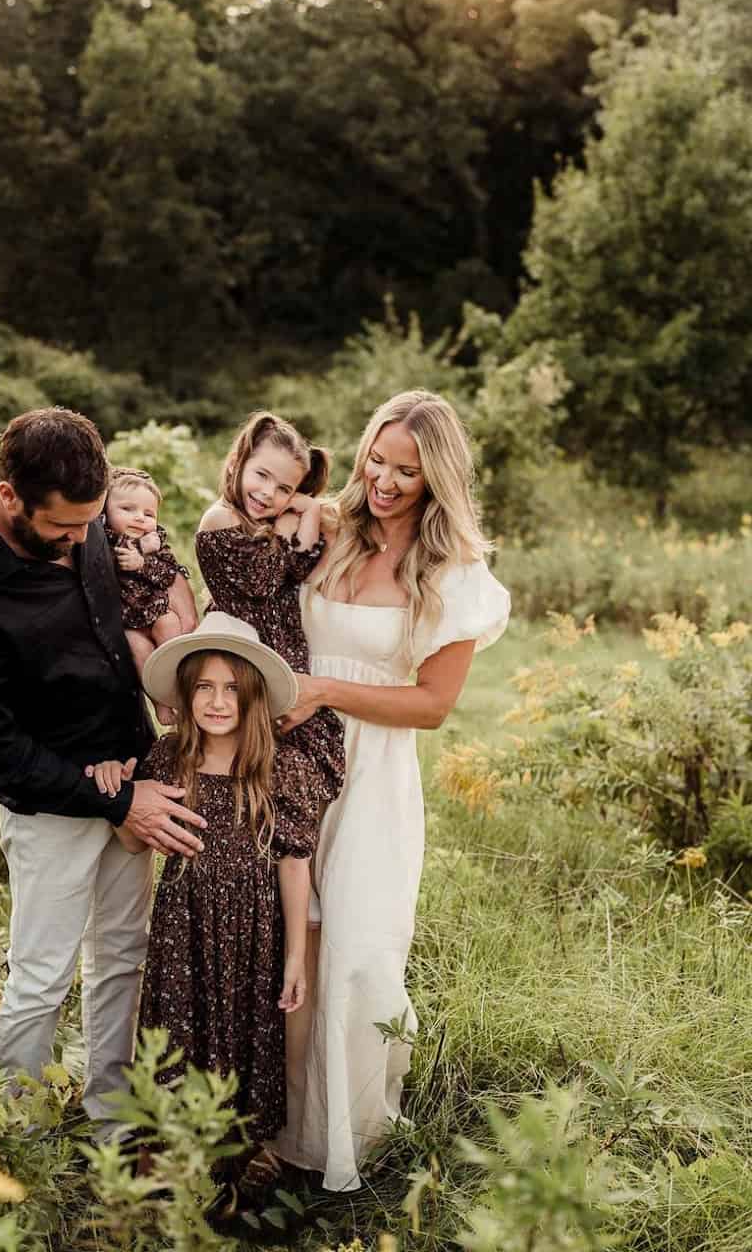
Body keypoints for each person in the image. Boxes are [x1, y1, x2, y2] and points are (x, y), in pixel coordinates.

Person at [0, 407, 205, 1128]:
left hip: (133, 771)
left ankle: (110, 1116)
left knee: (122, 957)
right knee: (41, 976)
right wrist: (109, 801)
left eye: (92, 523)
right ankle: (15, 1134)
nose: (84, 541)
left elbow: (154, 589)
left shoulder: (85, 510)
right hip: (52, 803)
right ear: (12, 496)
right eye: (66, 530)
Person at [271, 390, 511, 1193]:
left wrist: (327, 692)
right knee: (286, 939)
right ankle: (275, 1134)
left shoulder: (453, 572)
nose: (384, 480)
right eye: (377, 459)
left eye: (407, 470)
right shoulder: (329, 531)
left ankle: (347, 1142)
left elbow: (434, 706)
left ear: (437, 476)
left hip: (374, 772)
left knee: (357, 947)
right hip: (291, 759)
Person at [134, 613, 329, 1151]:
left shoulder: (280, 767)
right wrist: (117, 796)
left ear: (253, 699)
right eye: (204, 688)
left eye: (231, 689)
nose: (217, 702)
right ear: (187, 694)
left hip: (254, 927)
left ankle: (245, 1158)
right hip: (184, 921)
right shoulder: (169, 759)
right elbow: (133, 841)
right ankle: (171, 1154)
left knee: (248, 1036)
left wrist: (294, 956)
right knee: (179, 1029)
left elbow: (294, 862)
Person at [195, 411, 345, 810]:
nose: (267, 493)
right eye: (260, 475)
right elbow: (262, 580)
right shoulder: (220, 519)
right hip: (248, 666)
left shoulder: (263, 526)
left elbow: (302, 565)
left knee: (296, 785)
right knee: (254, 783)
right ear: (239, 461)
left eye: (283, 488)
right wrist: (284, 525)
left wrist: (309, 510)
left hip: (285, 663)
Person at [104, 466, 188, 680]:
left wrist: (143, 563)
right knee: (138, 650)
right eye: (127, 509)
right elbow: (106, 564)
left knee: (169, 625)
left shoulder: (156, 542)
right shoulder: (103, 541)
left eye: (148, 514)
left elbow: (169, 572)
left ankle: (180, 679)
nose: (140, 518)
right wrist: (139, 549)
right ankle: (162, 703)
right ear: (105, 511)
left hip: (156, 608)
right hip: (126, 620)